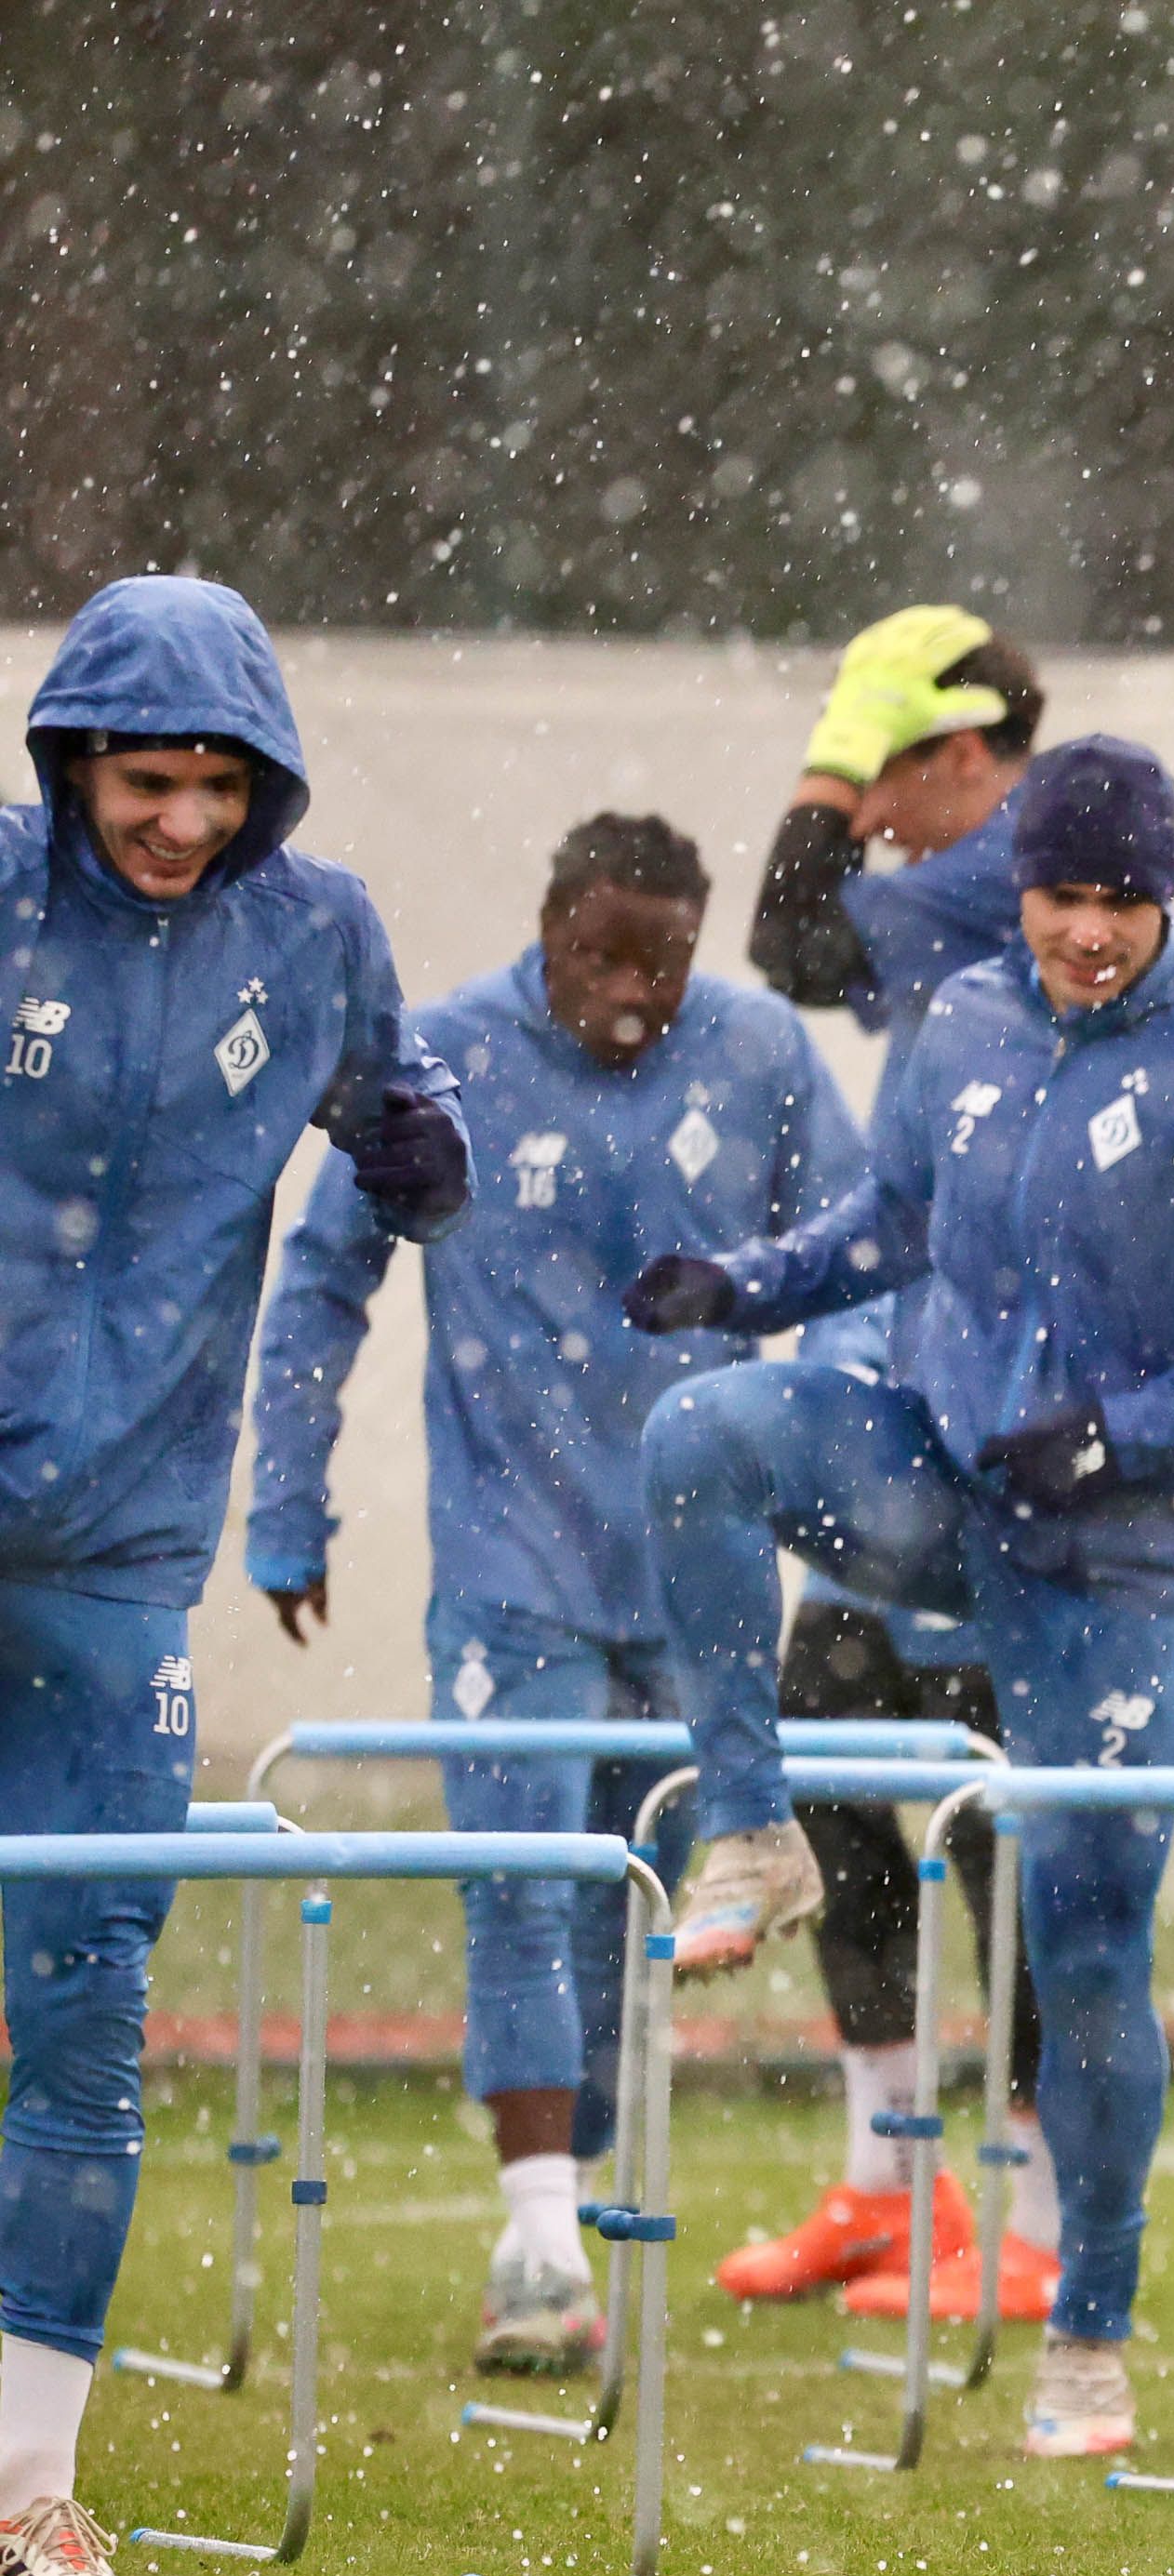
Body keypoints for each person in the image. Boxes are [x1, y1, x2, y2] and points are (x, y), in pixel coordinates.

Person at [628, 735, 1174, 2457]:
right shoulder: (969, 1020)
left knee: (1085, 1945)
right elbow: (895, 1228)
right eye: (1061, 894)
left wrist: (1131, 1438)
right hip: (945, 1482)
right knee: (700, 1435)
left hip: (1112, 1550)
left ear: (1167, 898)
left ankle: (1090, 2325)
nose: (1087, 931)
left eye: (1121, 899)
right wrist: (750, 1282)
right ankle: (748, 1825)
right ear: (1017, 890)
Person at [244, 812, 862, 2378]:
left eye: (665, 959)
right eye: (603, 954)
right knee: (518, 1878)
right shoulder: (443, 1057)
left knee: (628, 1904)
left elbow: (868, 1259)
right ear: (547, 923)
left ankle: (571, 2185)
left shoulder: (762, 1058)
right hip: (511, 1563)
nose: (635, 994)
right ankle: (536, 2241)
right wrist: (289, 1495)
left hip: (697, 1580)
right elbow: (328, 1272)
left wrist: (850, 1469)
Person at [0, 577, 473, 2576]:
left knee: (92, 2000)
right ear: (71, 761)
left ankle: (28, 2489)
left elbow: (395, 1112)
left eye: (212, 784)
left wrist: (424, 1141)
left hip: (121, 1548)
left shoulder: (318, 930)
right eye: (140, 776)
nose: (175, 819)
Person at [722, 606, 1057, 2326]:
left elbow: (783, 923)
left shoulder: (999, 860)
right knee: (838, 1763)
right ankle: (883, 2182)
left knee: (1005, 1817)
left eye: (886, 774)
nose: (867, 814)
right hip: (906, 1362)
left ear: (950, 762)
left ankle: (1044, 2219)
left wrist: (831, 755)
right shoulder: (956, 886)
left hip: (1001, 1390)